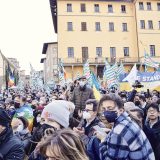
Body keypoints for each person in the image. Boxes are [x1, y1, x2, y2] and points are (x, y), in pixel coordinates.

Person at [99, 93, 155, 160]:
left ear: (121, 110)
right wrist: (110, 132)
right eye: (104, 109)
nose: (106, 112)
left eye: (110, 108)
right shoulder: (127, 120)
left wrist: (102, 140)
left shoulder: (119, 132)